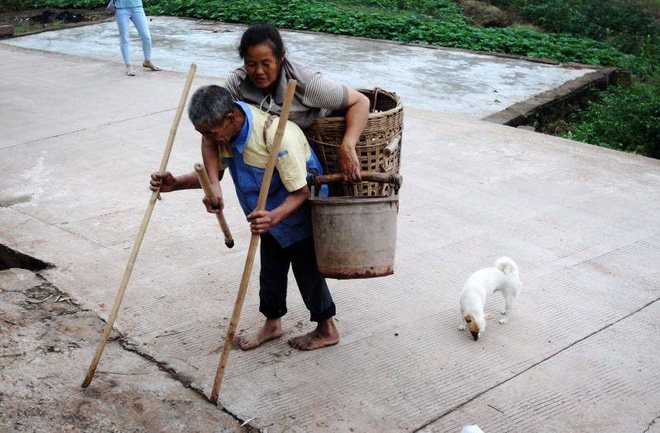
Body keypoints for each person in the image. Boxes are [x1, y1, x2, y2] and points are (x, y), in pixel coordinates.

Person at [149, 85, 339, 351]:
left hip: (298, 212)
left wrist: (273, 217)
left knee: (306, 270)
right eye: (202, 133)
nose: (207, 139)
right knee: (270, 271)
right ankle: (272, 324)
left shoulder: (276, 136)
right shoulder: (225, 135)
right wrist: (176, 183)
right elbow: (214, 172)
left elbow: (301, 193)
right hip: (266, 216)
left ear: (230, 118)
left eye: (209, 133)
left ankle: (326, 328)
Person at [225, 22, 370, 183]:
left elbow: (361, 102)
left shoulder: (307, 83)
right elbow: (218, 122)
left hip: (315, 139)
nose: (259, 71)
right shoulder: (237, 83)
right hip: (275, 148)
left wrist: (347, 146)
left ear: (281, 57)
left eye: (266, 64)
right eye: (251, 64)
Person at [112, 0, 161, 76]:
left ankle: (147, 61)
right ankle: (128, 65)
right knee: (124, 38)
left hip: (137, 7)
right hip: (121, 8)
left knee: (146, 36)